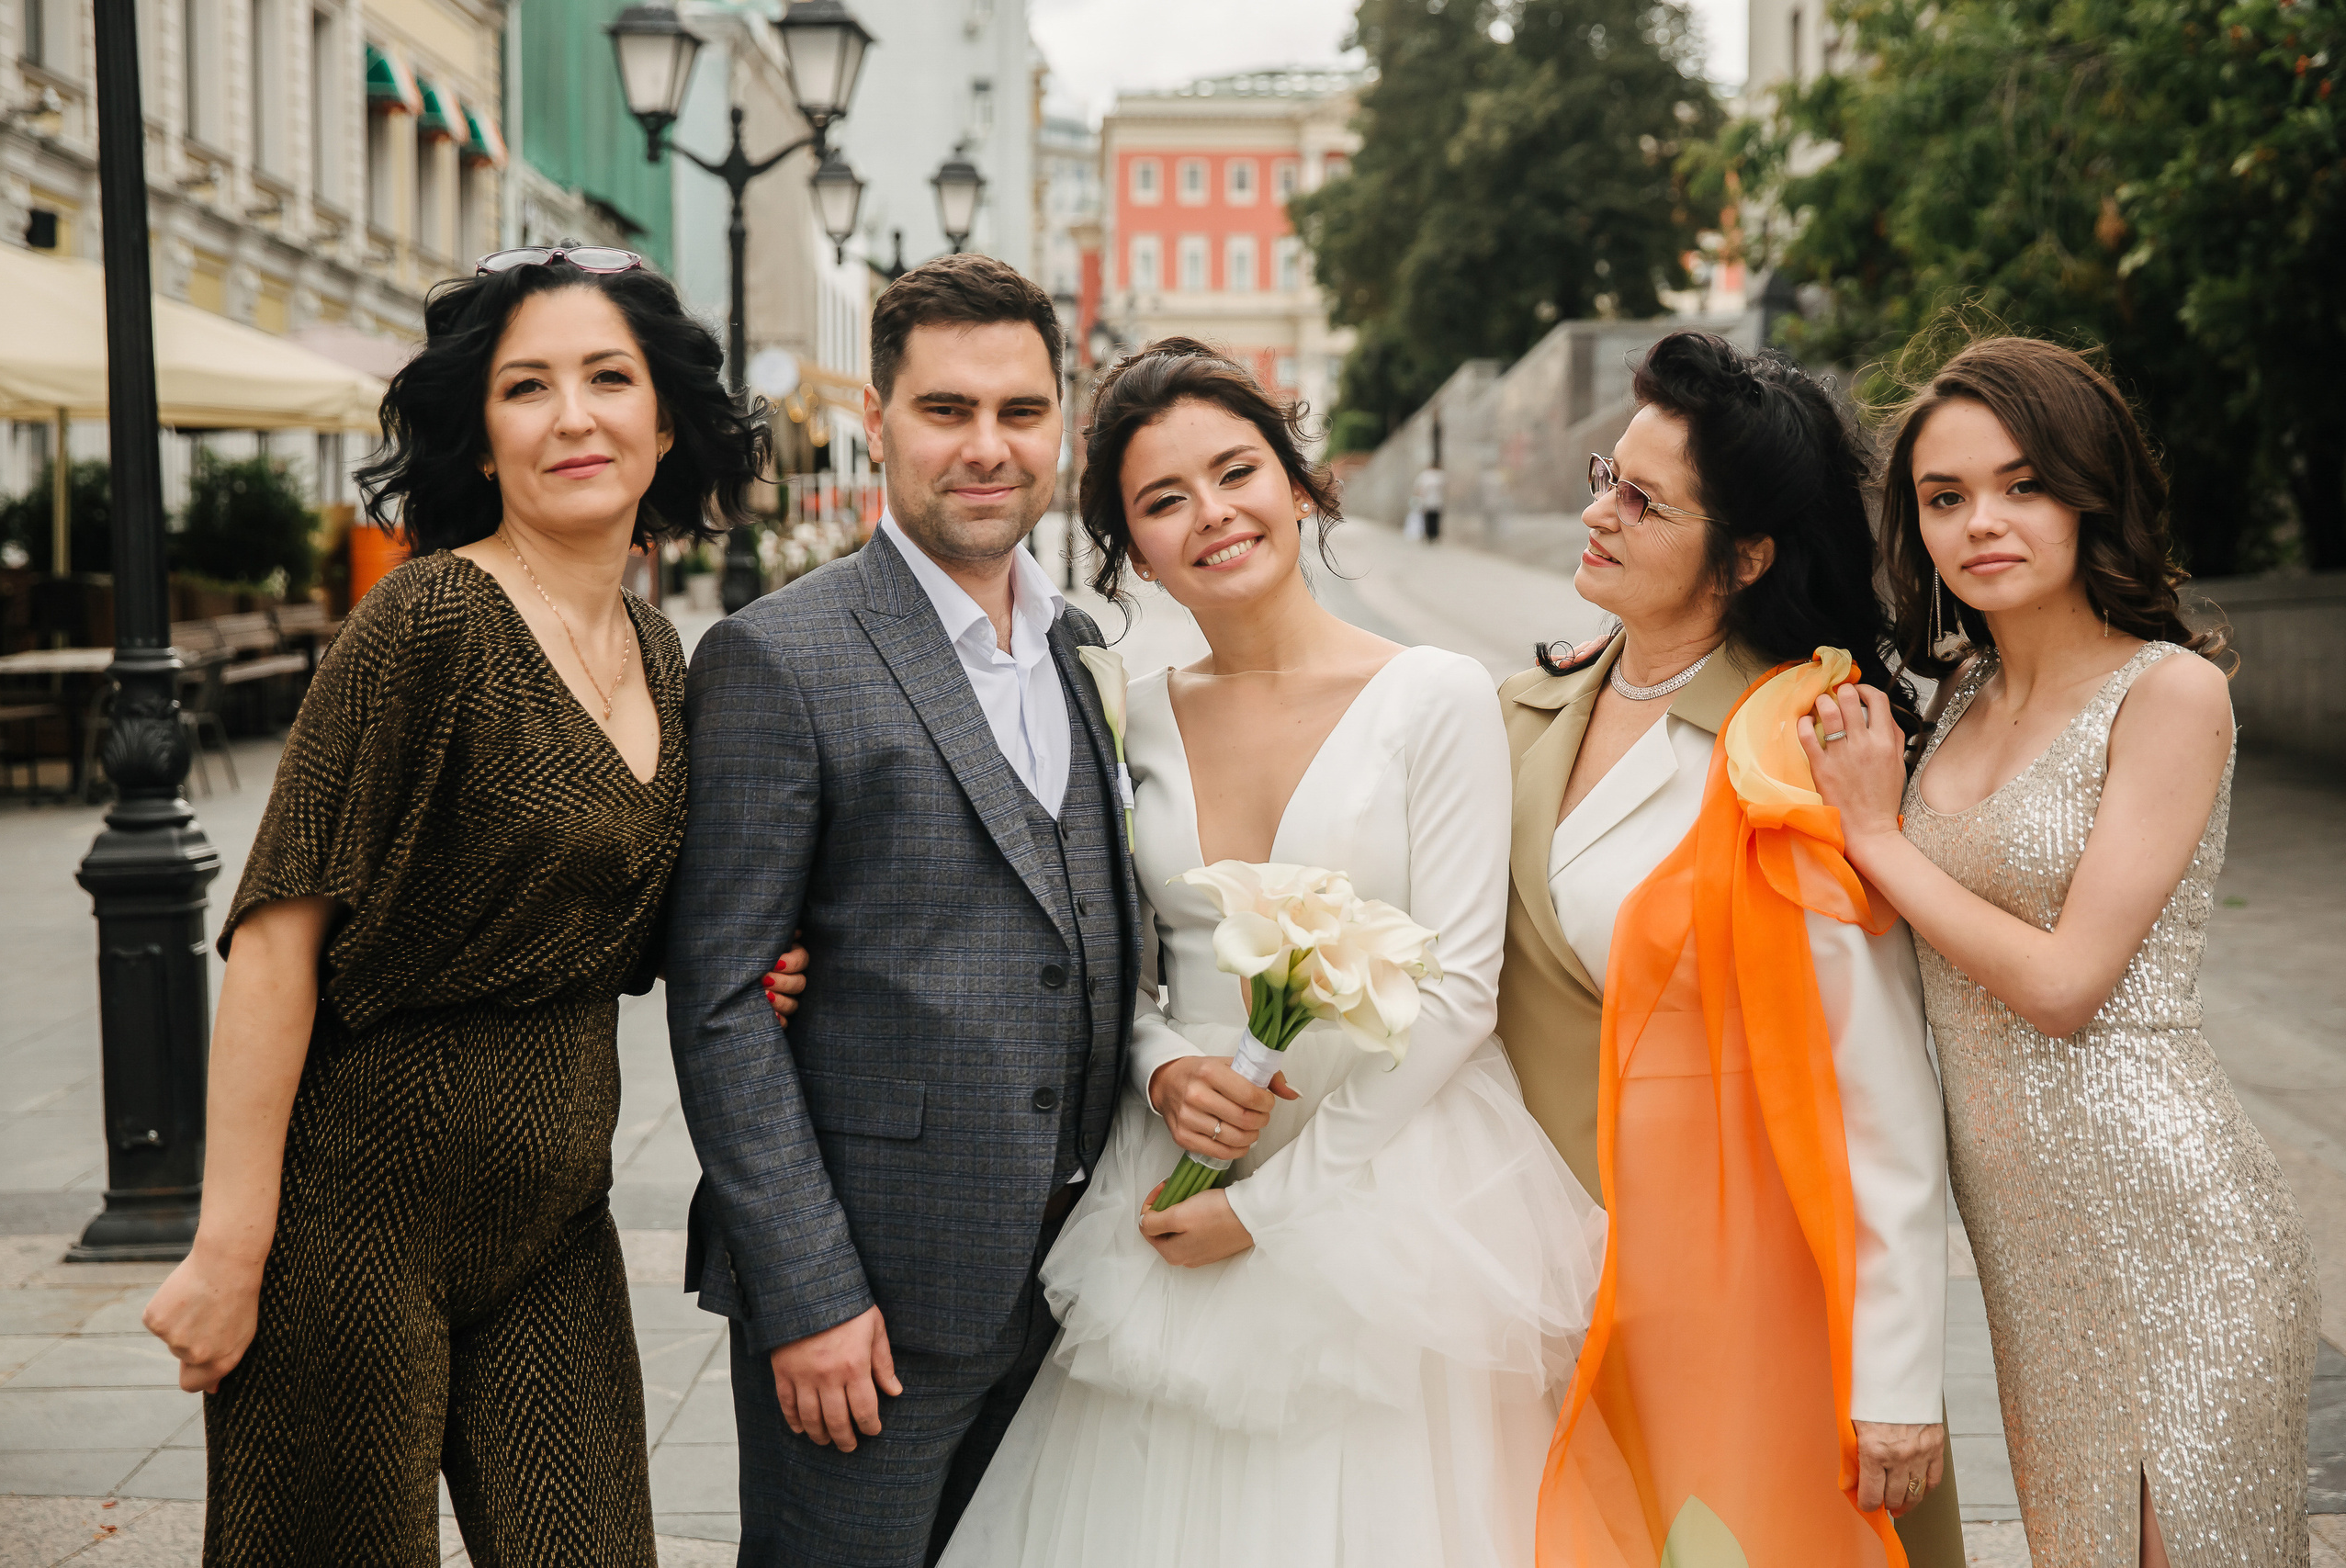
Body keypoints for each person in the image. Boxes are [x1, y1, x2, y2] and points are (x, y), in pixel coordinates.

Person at [138, 245, 795, 1564]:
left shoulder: (662, 654)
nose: (573, 417)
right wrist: (229, 1247)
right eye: (526, 387)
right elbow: (276, 937)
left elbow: (618, 911)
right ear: (482, 438)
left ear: (667, 422)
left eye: (609, 378)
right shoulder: (429, 618)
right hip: (354, 1210)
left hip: (555, 1216)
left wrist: (766, 959)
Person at [938, 339, 1605, 1568]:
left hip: (1384, 1172)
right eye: (1164, 500)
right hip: (1181, 1154)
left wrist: (1265, 1213)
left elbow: (1462, 989)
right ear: (1133, 551)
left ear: (1300, 485)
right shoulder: (1127, 713)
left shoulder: (1435, 694)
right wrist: (1156, 1065)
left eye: (1237, 472)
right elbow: (1110, 956)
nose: (1212, 513)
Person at [1805, 334, 2317, 1568]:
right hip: (2030, 1251)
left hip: (2174, 1216)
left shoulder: (2169, 693)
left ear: (2092, 493)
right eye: (1945, 497)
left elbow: (2063, 983)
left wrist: (1876, 837)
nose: (1982, 522)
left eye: (2023, 484)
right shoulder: (1952, 698)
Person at [663, 254, 1140, 1568]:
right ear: (877, 422)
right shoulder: (777, 656)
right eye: (946, 410)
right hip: (870, 1307)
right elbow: (721, 1002)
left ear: (1061, 424)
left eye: (1021, 411)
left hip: (1067, 1290)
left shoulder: (1083, 650)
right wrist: (809, 1293)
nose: (988, 447)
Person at [1498, 331, 1964, 1565]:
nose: (1597, 511)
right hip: (1527, 1286)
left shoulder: (1791, 749)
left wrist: (1895, 1375)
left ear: (1747, 554)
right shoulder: (1523, 709)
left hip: (1735, 1310)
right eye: (1607, 475)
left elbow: (1877, 1087)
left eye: (1643, 502)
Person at [1413, 459, 1446, 543]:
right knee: (1431, 518)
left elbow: (1419, 488)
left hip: (1434, 501)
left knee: (1432, 518)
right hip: (1432, 500)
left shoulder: (1436, 475)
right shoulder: (1431, 475)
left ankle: (1432, 535)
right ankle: (1431, 535)